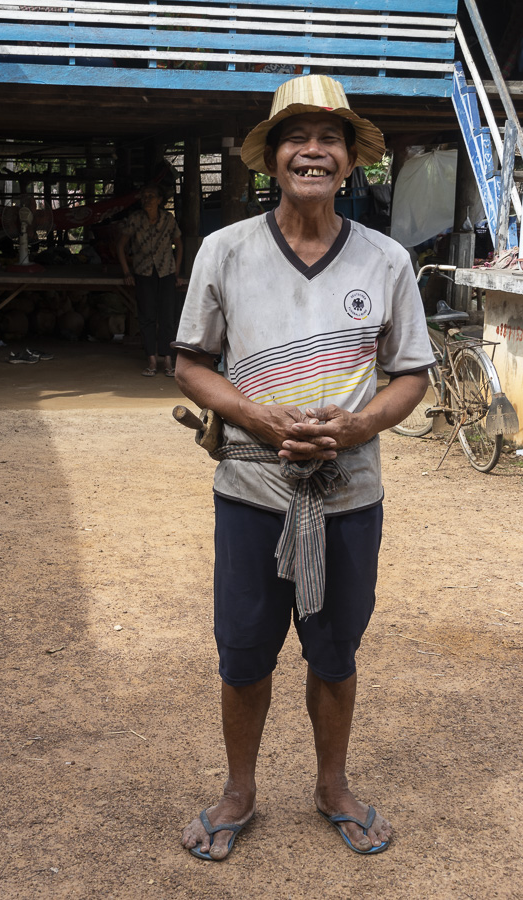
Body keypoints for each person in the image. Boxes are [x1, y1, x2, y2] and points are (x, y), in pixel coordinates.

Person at [173, 74, 435, 860]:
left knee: (335, 649)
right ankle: (238, 790)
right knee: (245, 648)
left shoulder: (385, 260)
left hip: (349, 493)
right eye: (296, 137)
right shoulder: (225, 251)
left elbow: (411, 375)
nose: (311, 151)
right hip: (251, 490)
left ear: (351, 162)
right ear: (271, 158)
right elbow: (191, 364)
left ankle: (331, 785)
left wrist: (354, 426)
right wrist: (254, 414)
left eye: (329, 138)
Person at [117, 183, 183, 376]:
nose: (147, 199)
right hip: (143, 272)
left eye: (151, 196)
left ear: (160, 200)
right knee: (146, 317)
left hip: (166, 272)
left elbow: (179, 245)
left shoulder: (168, 219)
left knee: (167, 317)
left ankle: (168, 360)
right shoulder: (135, 219)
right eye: (144, 196)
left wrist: (176, 272)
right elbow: (120, 246)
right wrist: (127, 272)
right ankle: (152, 360)